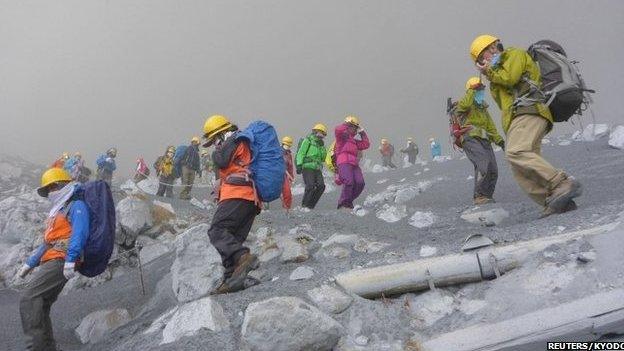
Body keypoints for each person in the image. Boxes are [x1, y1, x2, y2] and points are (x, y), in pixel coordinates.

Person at [470, 34, 582, 217]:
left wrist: (490, 70)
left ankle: (561, 183)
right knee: (520, 167)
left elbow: (511, 77)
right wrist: (491, 73)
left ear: (492, 48)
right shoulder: (495, 74)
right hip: (519, 117)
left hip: (529, 111)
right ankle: (555, 200)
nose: (483, 62)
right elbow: (503, 103)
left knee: (516, 151)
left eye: (483, 56)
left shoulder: (513, 55)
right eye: (480, 60)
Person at [17, 168, 89, 351]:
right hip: (53, 257)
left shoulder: (76, 205)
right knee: (41, 303)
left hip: (62, 258)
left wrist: (71, 259)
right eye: (48, 190)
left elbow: (80, 233)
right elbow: (48, 242)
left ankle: (38, 348)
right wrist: (30, 263)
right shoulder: (58, 210)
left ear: (63, 185)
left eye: (53, 187)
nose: (50, 192)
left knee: (29, 298)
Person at [203, 114, 259, 294]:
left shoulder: (233, 140)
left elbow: (221, 160)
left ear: (220, 134)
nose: (214, 144)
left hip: (238, 193)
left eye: (213, 140)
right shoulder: (240, 142)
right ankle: (231, 280)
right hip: (250, 199)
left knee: (217, 230)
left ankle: (243, 257)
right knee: (232, 238)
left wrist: (216, 151)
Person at [454, 76, 505, 205]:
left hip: (484, 140)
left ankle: (487, 196)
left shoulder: (483, 108)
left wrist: (499, 141)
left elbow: (490, 127)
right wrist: (472, 89)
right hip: (470, 138)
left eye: (482, 89)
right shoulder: (464, 104)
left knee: (493, 169)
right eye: (478, 89)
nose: (481, 92)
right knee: (484, 163)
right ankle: (479, 196)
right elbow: (464, 105)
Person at [335, 115, 370, 209]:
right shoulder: (342, 138)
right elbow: (338, 129)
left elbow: (366, 144)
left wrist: (362, 133)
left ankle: (348, 201)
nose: (355, 129)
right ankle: (343, 203)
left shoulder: (354, 141)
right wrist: (346, 124)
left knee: (360, 183)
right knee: (349, 182)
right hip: (343, 162)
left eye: (355, 127)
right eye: (353, 127)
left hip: (354, 163)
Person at [295, 124, 328, 210]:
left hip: (317, 168)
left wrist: (322, 147)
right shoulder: (308, 140)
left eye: (323, 134)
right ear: (315, 131)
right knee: (310, 186)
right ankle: (304, 205)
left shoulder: (321, 145)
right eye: (321, 132)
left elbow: (323, 158)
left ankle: (310, 206)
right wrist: (299, 164)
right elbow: (301, 152)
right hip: (307, 167)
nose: (322, 135)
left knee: (321, 186)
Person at [281, 136, 295, 211]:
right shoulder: (276, 152)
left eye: (289, 145)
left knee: (287, 193)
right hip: (276, 174)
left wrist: (291, 177)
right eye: (286, 145)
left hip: (284, 176)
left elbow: (290, 167)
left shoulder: (289, 155)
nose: (287, 147)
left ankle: (286, 209)